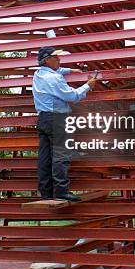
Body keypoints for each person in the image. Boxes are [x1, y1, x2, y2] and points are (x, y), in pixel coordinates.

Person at [32, 46, 97, 202]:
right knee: (61, 155)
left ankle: (46, 192)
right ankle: (61, 191)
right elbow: (72, 96)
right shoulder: (54, 79)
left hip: (43, 119)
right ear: (47, 60)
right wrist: (88, 85)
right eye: (56, 58)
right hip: (57, 120)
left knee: (45, 157)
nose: (59, 60)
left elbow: (56, 72)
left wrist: (70, 71)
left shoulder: (39, 74)